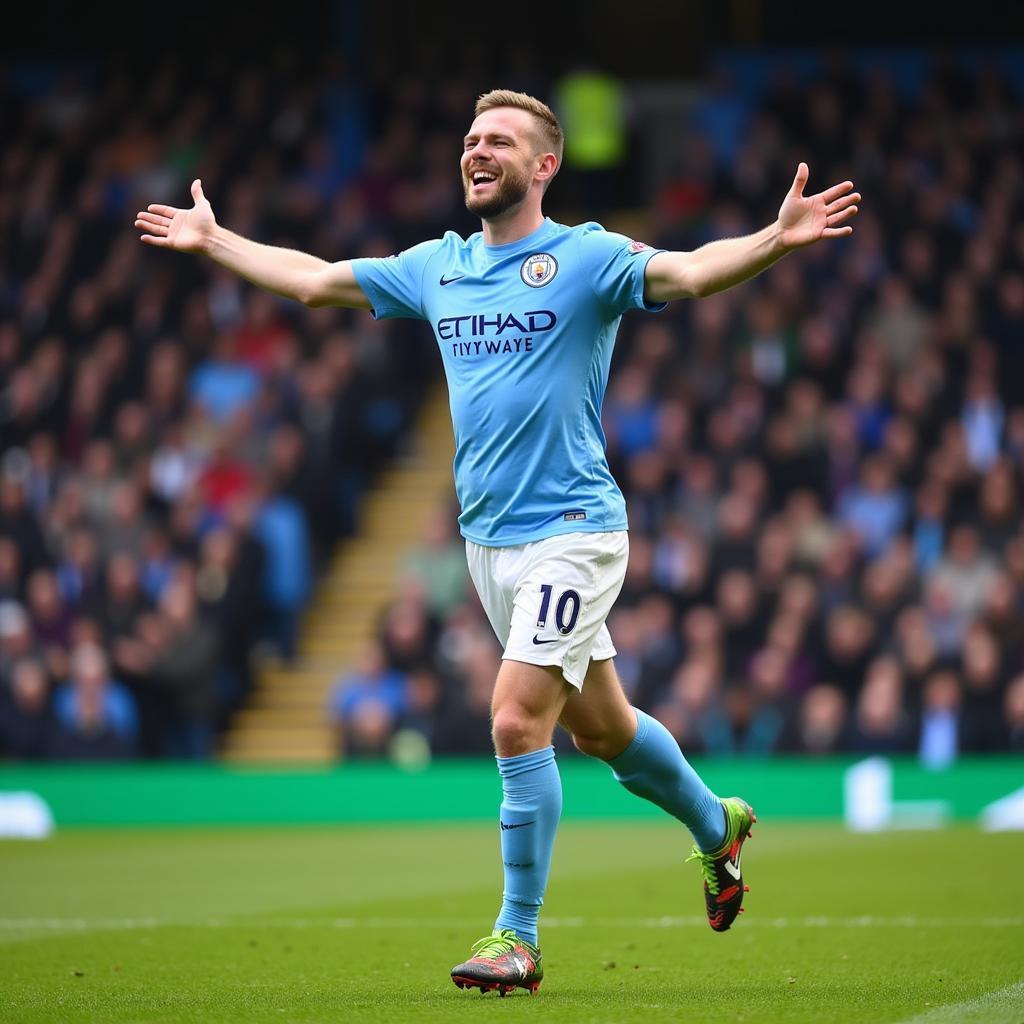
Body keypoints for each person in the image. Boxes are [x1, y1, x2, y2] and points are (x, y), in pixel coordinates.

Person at [136, 89, 859, 996]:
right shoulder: (437, 266)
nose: (478, 151)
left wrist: (772, 240)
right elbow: (318, 280)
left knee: (516, 718)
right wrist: (216, 242)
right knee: (606, 734)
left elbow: (687, 272)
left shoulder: (586, 256)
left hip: (575, 532)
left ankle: (516, 936)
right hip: (489, 547)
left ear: (543, 165)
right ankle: (718, 826)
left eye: (501, 141)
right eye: (472, 139)